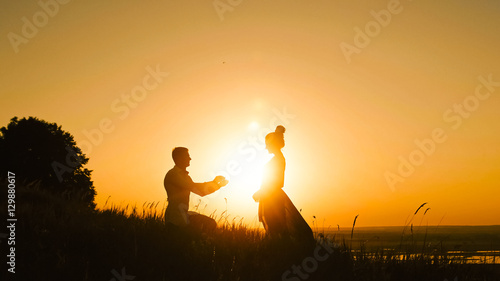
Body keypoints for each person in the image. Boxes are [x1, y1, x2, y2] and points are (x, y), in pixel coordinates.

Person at [253, 126, 314, 244]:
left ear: (272, 144)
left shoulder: (278, 160)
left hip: (273, 198)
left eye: (267, 144)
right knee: (275, 228)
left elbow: (276, 181)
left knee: (276, 228)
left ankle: (280, 252)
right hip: (270, 197)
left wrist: (261, 192)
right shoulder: (278, 159)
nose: (266, 147)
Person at [164, 147, 228, 231]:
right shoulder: (173, 175)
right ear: (179, 158)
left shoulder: (185, 177)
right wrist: (215, 183)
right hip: (175, 219)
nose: (190, 158)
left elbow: (201, 192)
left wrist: (216, 185)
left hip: (182, 216)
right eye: (187, 156)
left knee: (210, 224)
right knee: (209, 224)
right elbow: (196, 188)